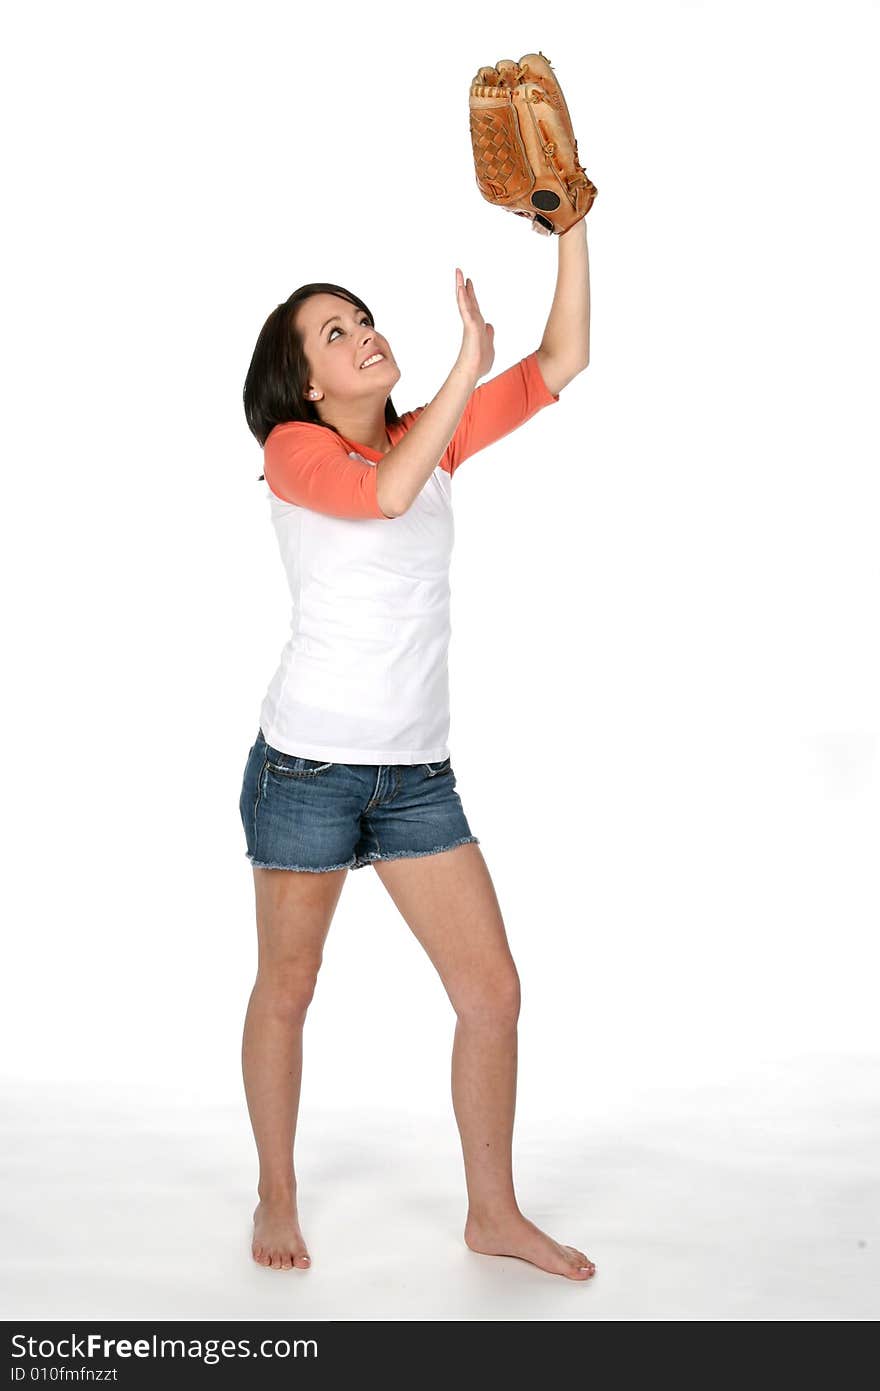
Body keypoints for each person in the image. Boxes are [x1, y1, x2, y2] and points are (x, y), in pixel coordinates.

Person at [239, 223, 595, 1279]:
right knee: (289, 987)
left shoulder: (429, 437)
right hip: (305, 767)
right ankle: (276, 1187)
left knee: (491, 991)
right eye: (335, 332)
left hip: (415, 778)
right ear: (300, 382)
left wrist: (572, 229)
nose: (364, 334)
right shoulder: (294, 451)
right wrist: (458, 375)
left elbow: (562, 360)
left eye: (365, 319)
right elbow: (379, 491)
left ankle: (493, 1211)